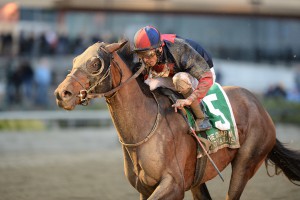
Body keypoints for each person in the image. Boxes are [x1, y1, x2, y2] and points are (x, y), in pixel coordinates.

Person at [133, 25, 215, 132]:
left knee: (179, 80)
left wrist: (189, 100)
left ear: (159, 48)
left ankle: (202, 118)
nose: (145, 60)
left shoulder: (178, 49)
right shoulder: (150, 53)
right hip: (177, 70)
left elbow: (207, 77)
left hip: (203, 72)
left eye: (148, 54)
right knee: (149, 83)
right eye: (141, 55)